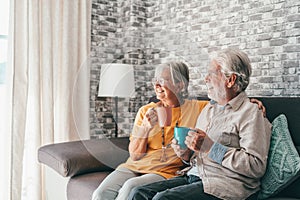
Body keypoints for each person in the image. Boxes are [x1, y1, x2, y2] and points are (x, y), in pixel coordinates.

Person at [128, 48, 272, 200]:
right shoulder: (208, 109)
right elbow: (196, 155)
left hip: (225, 184)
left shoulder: (251, 112)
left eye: (212, 73)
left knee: (162, 199)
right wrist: (185, 153)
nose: (206, 79)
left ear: (230, 80)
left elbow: (256, 166)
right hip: (195, 175)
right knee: (139, 193)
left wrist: (211, 148)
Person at [92, 61, 209, 200]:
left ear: (180, 85)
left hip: (165, 170)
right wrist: (145, 128)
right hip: (134, 166)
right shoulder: (146, 111)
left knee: (130, 187)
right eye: (155, 80)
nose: (156, 85)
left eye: (162, 80)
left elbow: (223, 108)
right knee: (100, 194)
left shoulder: (200, 108)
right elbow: (134, 156)